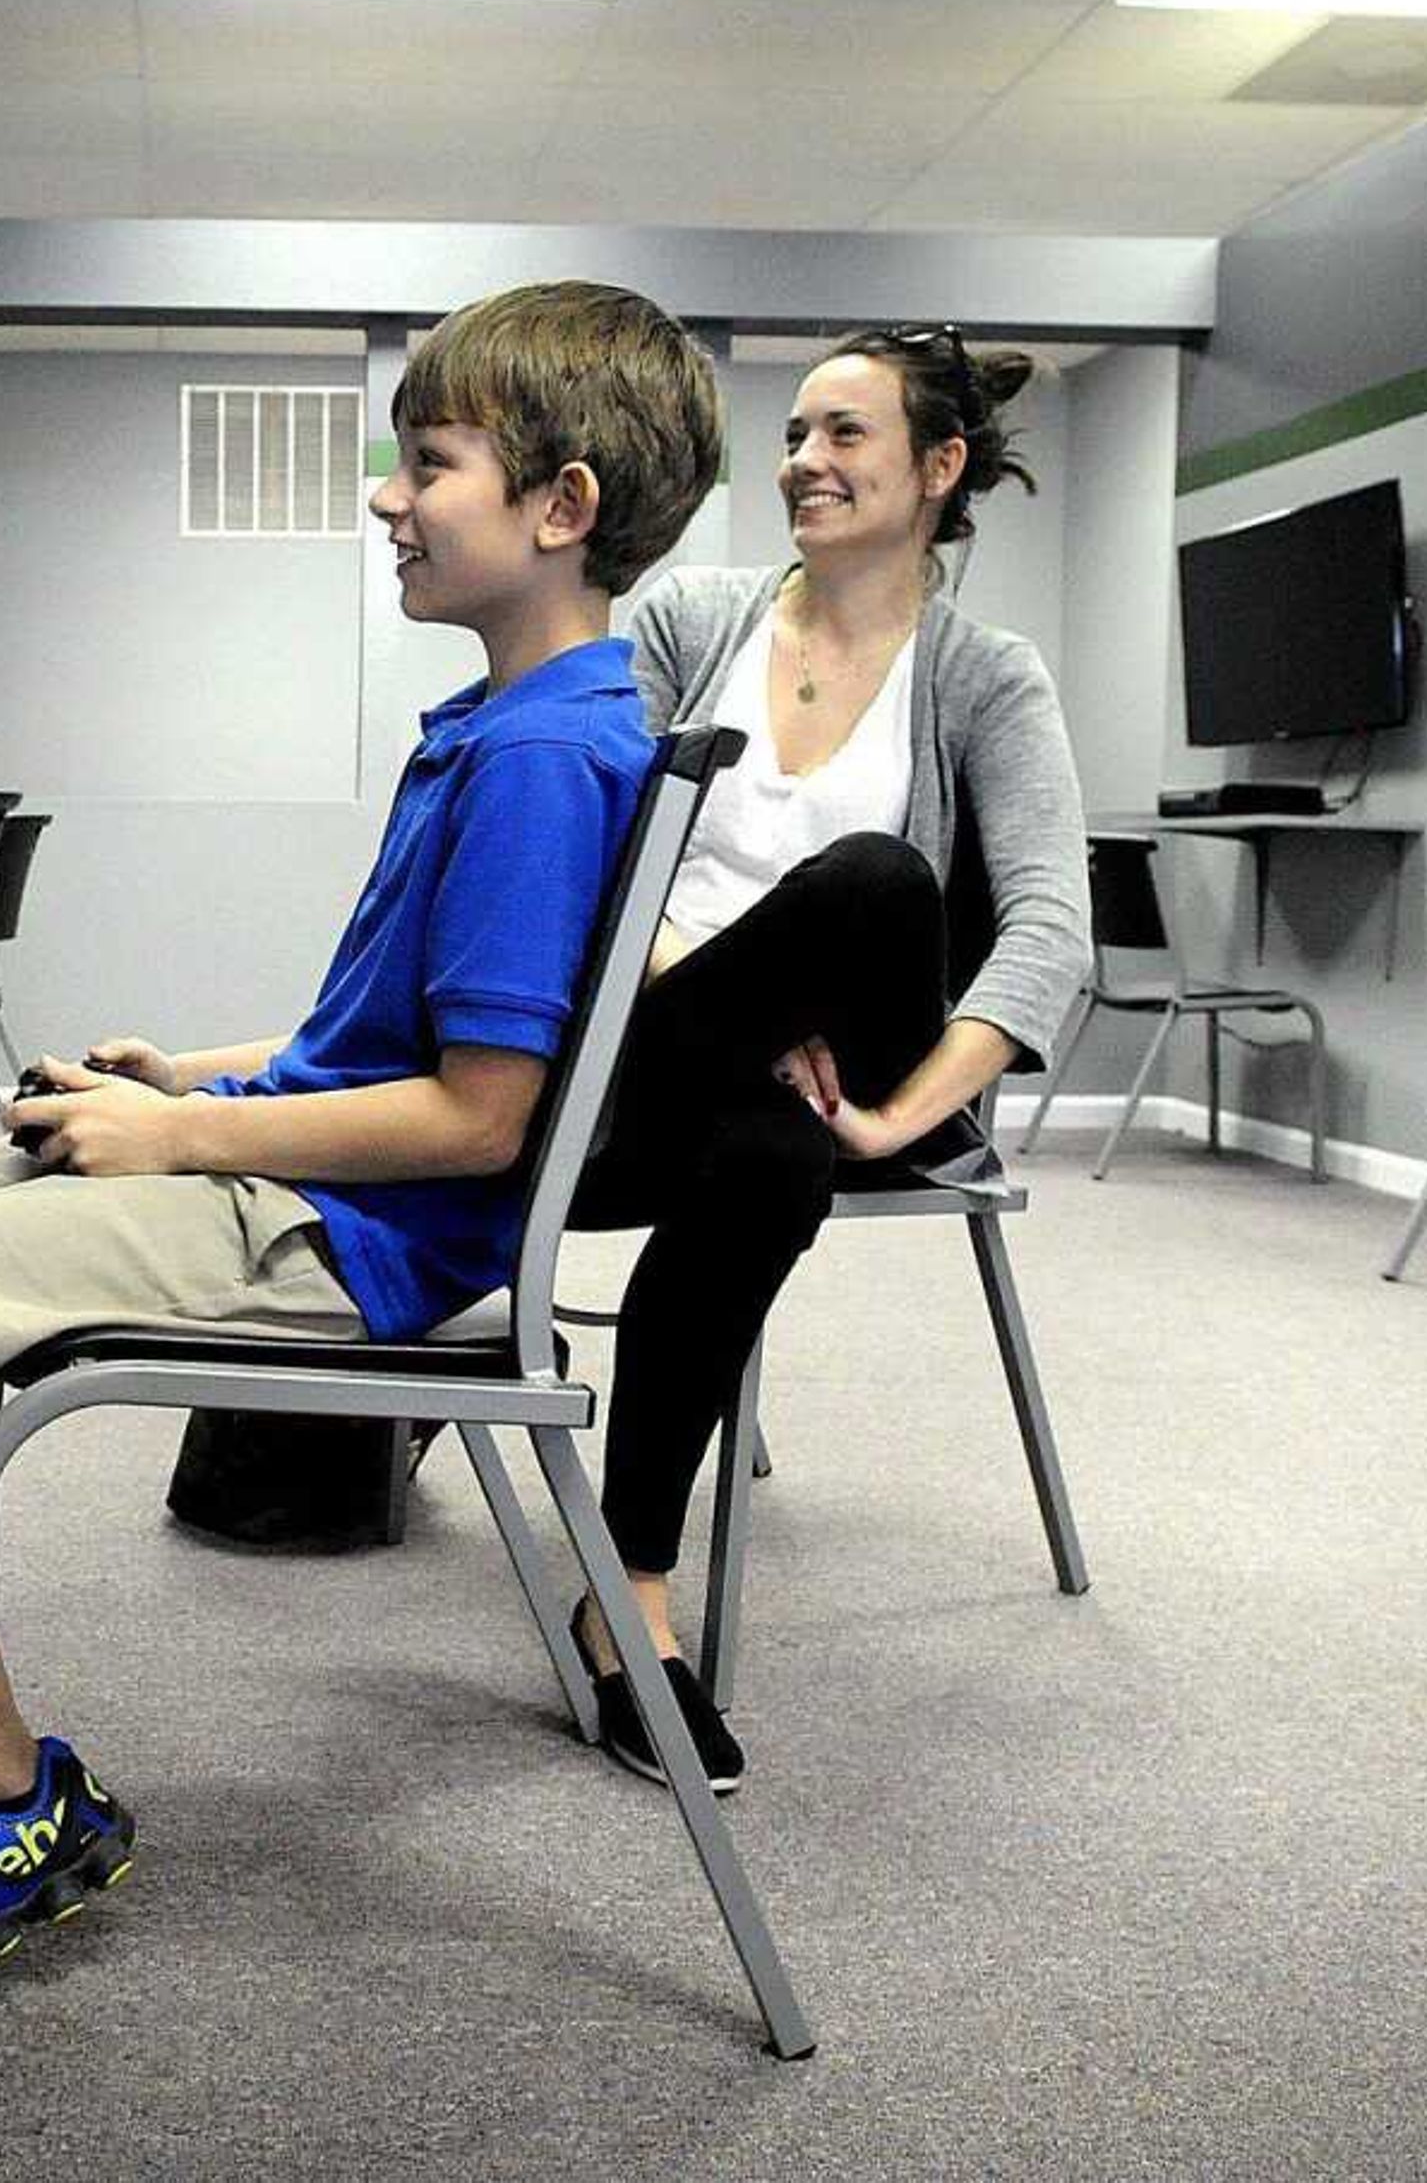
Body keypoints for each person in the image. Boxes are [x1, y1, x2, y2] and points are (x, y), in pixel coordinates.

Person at [0, 279, 724, 2048]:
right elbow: (392, 1041)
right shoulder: (509, 723)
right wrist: (201, 1072)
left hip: (341, 1238)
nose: (388, 495)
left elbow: (480, 1116)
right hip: (301, 1170)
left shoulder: (547, 752)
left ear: (564, 508)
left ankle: (5, 1801)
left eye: (428, 461)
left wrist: (184, 1134)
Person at [565, 326, 1088, 1793]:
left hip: (864, 1067)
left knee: (874, 885)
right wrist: (719, 987)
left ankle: (621, 1586)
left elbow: (1051, 926)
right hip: (681, 1045)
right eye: (796, 432)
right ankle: (629, 1603)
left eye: (845, 434)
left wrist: (899, 1118)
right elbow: (606, 855)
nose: (803, 460)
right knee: (761, 1154)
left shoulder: (986, 673)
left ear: (938, 466)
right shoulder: (692, 621)